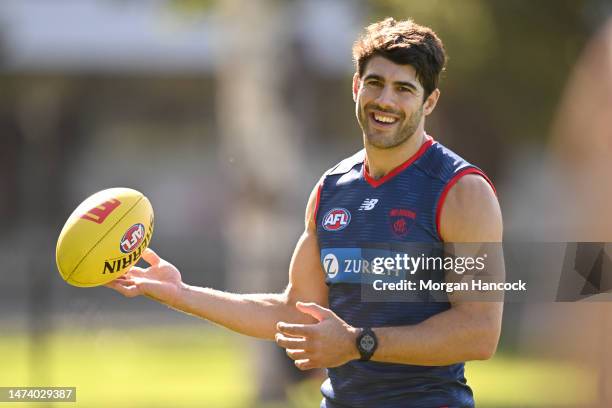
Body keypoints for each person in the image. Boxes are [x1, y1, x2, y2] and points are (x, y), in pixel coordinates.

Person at [107, 17, 503, 408]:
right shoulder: (332, 189)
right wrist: (181, 293)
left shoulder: (461, 191)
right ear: (355, 87)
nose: (385, 101)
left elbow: (479, 331)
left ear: (429, 100)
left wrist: (356, 342)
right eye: (375, 83)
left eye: (404, 89)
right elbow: (292, 311)